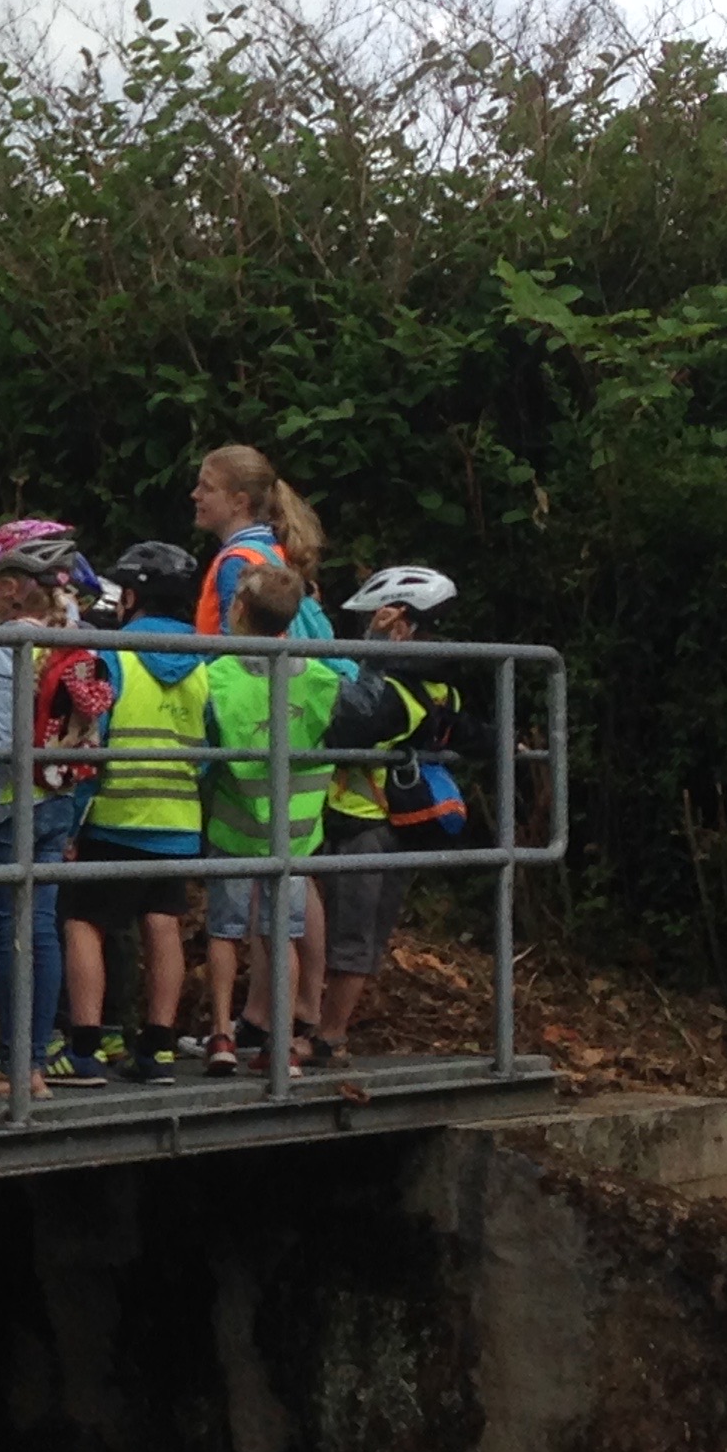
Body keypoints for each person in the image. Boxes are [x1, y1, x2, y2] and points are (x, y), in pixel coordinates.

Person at [0, 520, 112, 1096]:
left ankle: (12, 1067)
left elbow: (0, 738)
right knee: (39, 933)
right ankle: (31, 1066)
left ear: (17, 586)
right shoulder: (74, 637)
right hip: (57, 800)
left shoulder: (7, 642)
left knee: (11, 940)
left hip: (8, 806)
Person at [316, 565, 477, 1066]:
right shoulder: (439, 688)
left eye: (375, 623)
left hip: (363, 827)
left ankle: (327, 1038)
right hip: (392, 831)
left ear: (401, 626)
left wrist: (370, 653)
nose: (365, 633)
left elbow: (346, 726)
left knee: (350, 937)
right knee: (356, 935)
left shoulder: (391, 693)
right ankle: (321, 1032)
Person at [69, 539, 214, 1085]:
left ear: (129, 596)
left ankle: (84, 1047)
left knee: (84, 921)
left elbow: (92, 740)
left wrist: (77, 818)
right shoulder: (203, 661)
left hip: (114, 813)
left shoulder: (113, 654)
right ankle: (158, 1049)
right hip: (177, 818)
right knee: (163, 924)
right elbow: (212, 744)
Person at [198, 562, 340, 1076]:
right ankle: (281, 1044)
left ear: (237, 609)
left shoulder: (217, 673)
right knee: (284, 934)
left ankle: (221, 1035)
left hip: (236, 826)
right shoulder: (322, 678)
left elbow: (205, 748)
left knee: (224, 931)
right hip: (298, 836)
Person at [192, 444, 338, 647]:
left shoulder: (238, 561)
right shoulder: (279, 548)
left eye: (207, 487)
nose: (195, 495)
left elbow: (234, 647)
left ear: (239, 502)